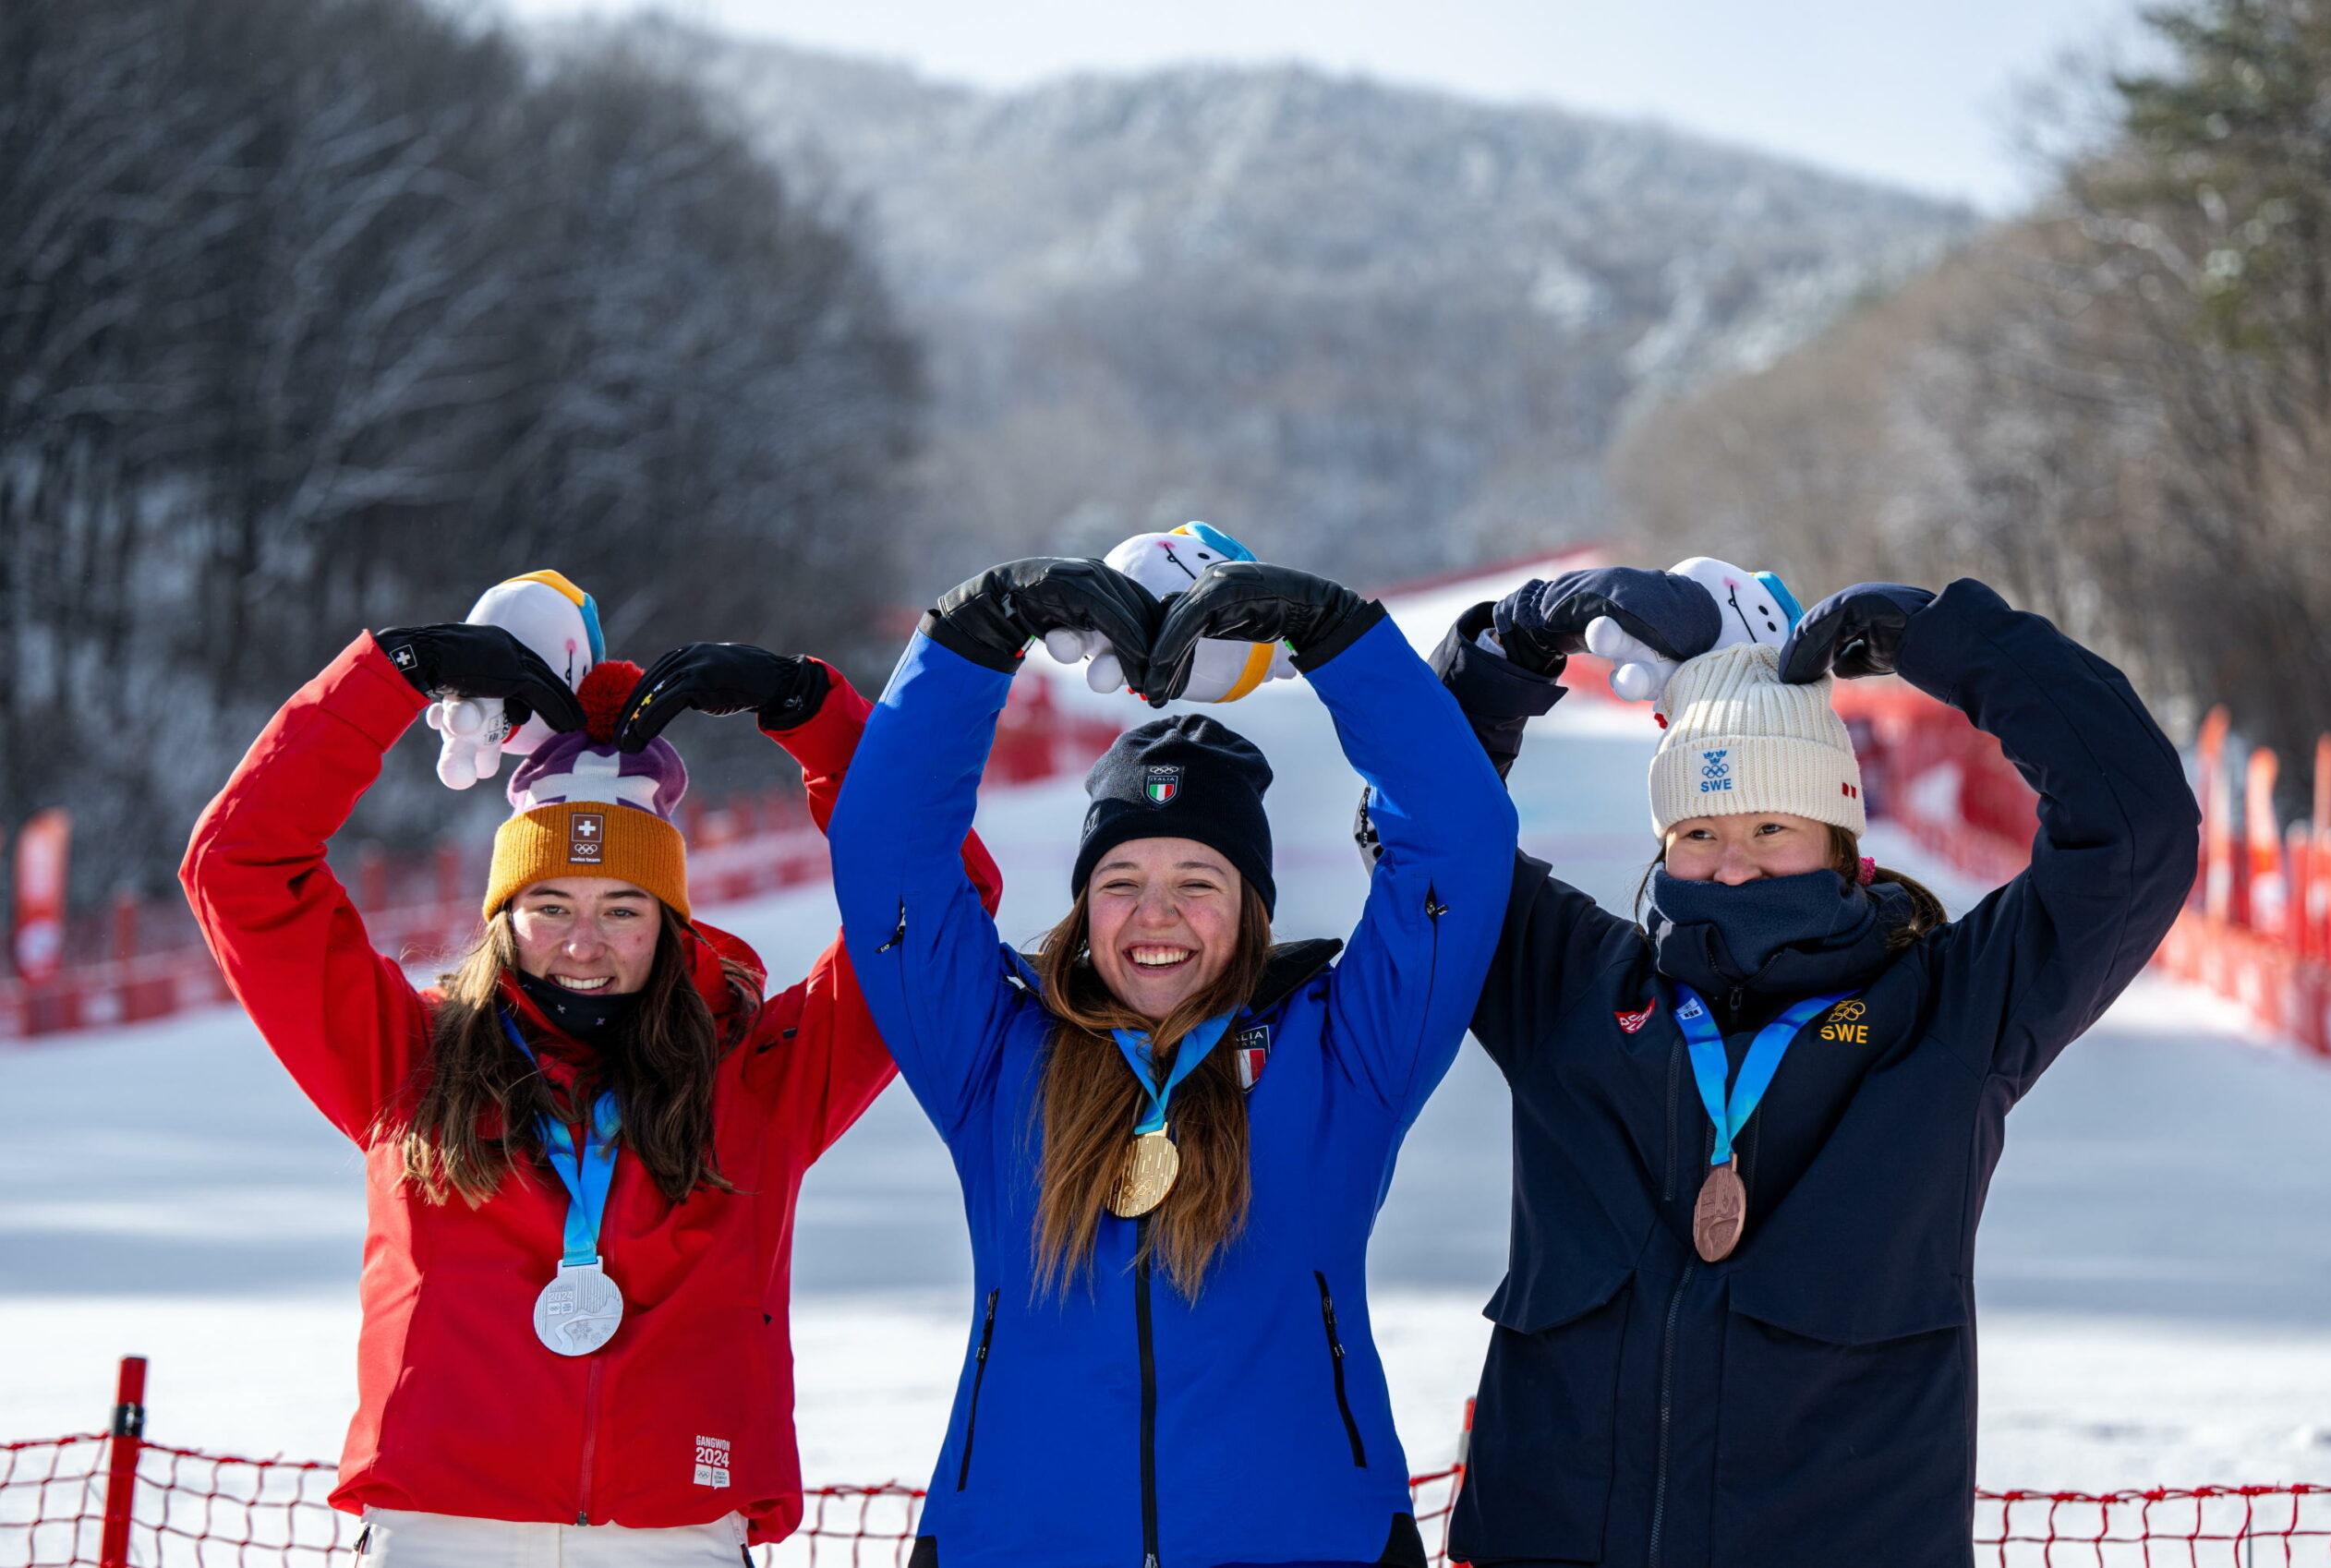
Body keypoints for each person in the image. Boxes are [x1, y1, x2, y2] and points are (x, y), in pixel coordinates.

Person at [1419, 572, 2200, 1568]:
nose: (1730, 865)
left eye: (1768, 830)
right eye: (1697, 834)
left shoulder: (1946, 1014)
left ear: (1838, 843)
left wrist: (1955, 644)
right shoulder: (1575, 991)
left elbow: (2134, 833)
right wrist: (1513, 644)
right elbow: (1427, 847)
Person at [181, 624, 997, 1564]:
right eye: (551, 907)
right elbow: (238, 869)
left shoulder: (763, 1075)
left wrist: (811, 714)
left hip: (679, 1534)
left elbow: (936, 907)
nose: (584, 943)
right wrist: (392, 676)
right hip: (444, 1531)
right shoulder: (406, 1063)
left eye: (622, 908)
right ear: (502, 917)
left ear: (670, 921)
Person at [827, 556, 1517, 1568]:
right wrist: (976, 635)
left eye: (1198, 879)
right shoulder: (996, 1057)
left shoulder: (1344, 1053)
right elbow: (888, 855)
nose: (1155, 917)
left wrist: (1338, 639)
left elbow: (1458, 846)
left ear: (1250, 911)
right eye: (1121, 880)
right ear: (1082, 904)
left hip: (1311, 1547)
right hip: (1013, 1547)